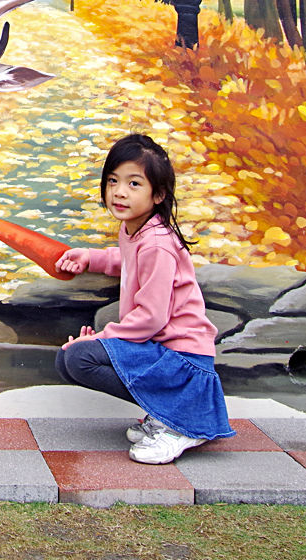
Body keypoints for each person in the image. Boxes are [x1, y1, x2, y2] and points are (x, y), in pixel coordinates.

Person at [54, 133, 235, 464]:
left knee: (78, 359)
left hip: (182, 359)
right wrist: (89, 258)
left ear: (158, 194)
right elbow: (128, 260)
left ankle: (181, 421)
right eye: (113, 180)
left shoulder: (157, 242)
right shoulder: (136, 231)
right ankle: (166, 412)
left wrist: (102, 338)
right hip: (160, 351)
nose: (119, 192)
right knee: (70, 362)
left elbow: (151, 317)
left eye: (134, 184)